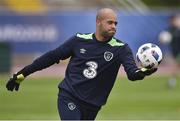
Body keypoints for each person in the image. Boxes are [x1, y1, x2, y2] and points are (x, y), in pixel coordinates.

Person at [6, 8, 157, 120]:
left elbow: (132, 74)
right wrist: (24, 72)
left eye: (116, 23)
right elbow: (51, 57)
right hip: (69, 96)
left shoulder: (121, 49)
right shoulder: (79, 40)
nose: (114, 26)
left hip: (93, 106)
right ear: (98, 22)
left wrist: (144, 71)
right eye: (110, 22)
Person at [159, 14, 180, 89]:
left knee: (176, 67)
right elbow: (162, 39)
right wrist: (163, 40)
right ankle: (172, 81)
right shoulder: (169, 30)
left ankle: (172, 82)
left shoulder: (178, 30)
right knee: (176, 67)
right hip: (175, 52)